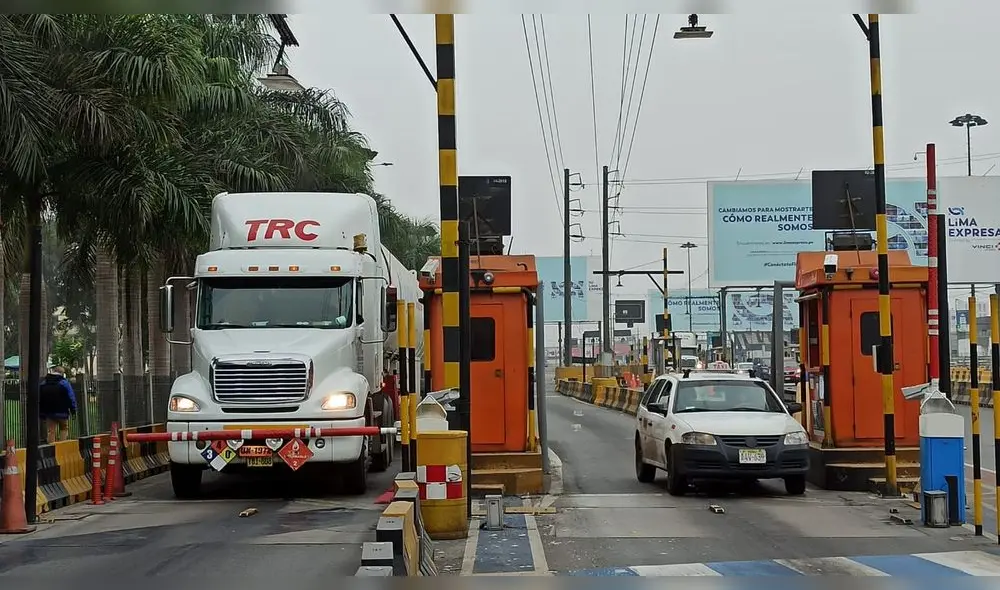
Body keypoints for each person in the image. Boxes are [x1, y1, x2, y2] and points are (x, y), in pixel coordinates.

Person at [39, 366, 77, 443]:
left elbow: (40, 398)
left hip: (49, 412)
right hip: (62, 411)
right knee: (64, 428)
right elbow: (71, 397)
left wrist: (41, 413)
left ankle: (51, 450)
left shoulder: (44, 383)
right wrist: (73, 410)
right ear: (62, 373)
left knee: (51, 431)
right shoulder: (64, 383)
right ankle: (62, 446)